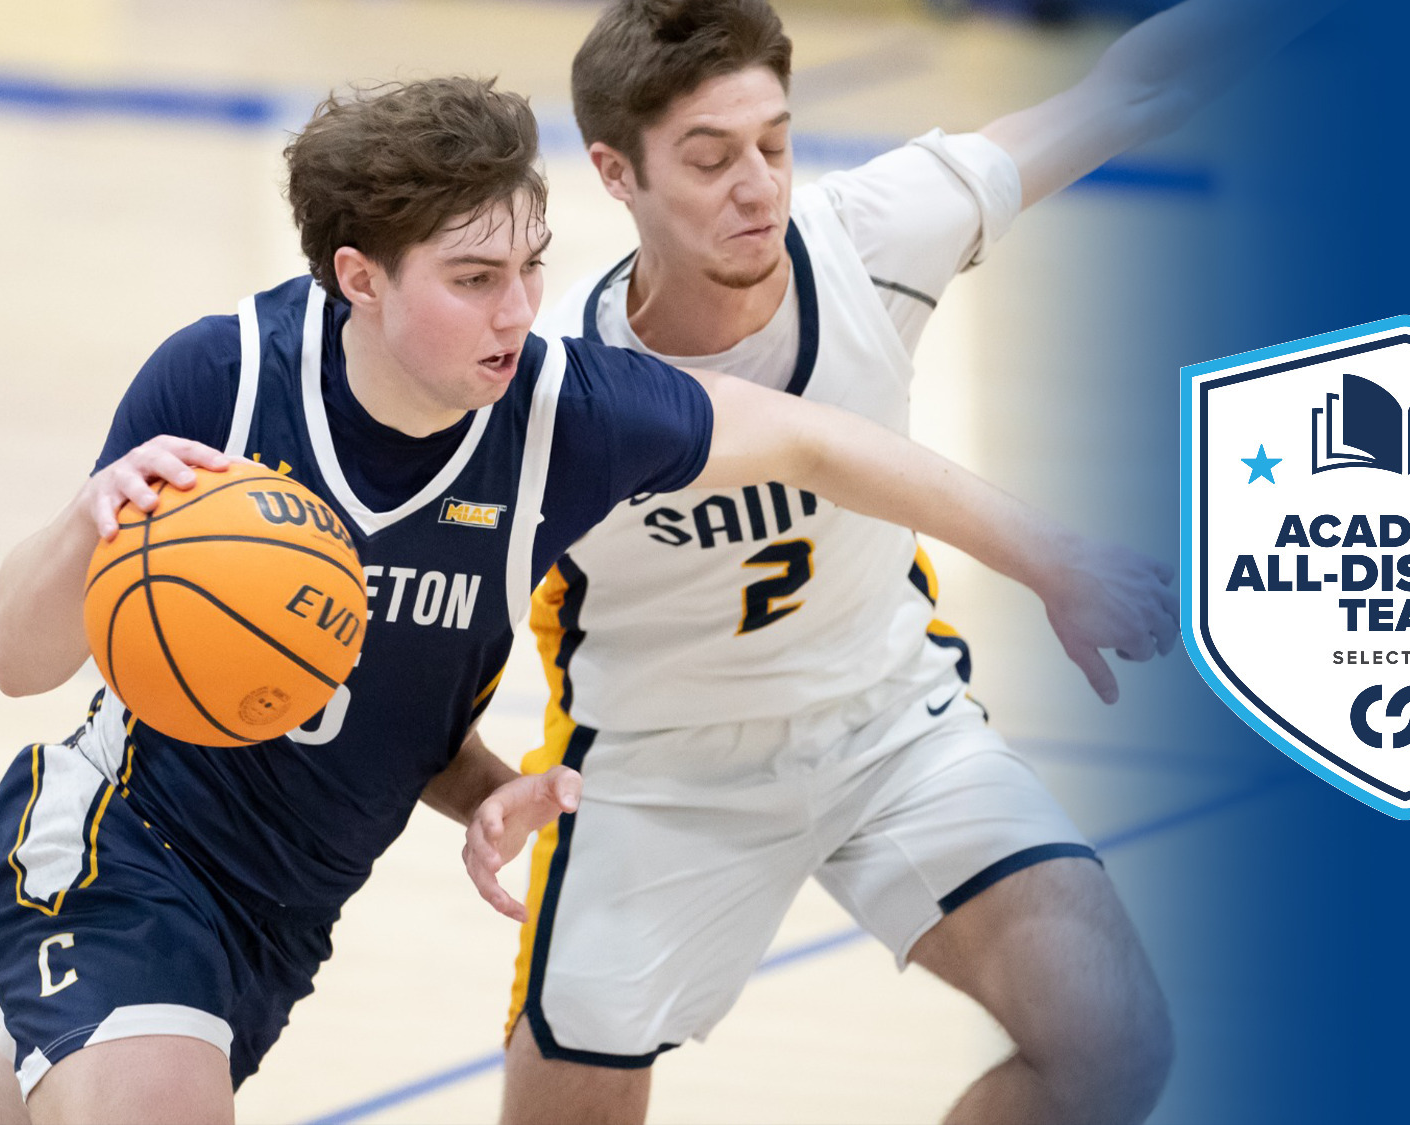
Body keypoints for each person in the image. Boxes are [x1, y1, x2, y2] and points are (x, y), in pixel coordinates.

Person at [0, 72, 1173, 1125]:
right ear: (358, 278)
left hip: (284, 911)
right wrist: (87, 519)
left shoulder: (567, 413)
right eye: (476, 278)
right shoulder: (222, 383)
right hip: (126, 854)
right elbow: (18, 660)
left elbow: (818, 443)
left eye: (532, 268)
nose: (521, 310)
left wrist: (1055, 558)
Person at [462, 2, 1332, 1123]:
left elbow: (1133, 89)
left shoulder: (877, 235)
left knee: (1111, 1042)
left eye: (773, 143)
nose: (758, 186)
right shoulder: (553, 386)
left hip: (888, 727)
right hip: (654, 779)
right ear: (613, 174)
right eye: (709, 158)